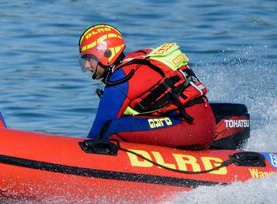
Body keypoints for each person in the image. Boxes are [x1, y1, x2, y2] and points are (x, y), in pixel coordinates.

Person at [78, 24, 215, 149]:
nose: (86, 66)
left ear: (106, 54)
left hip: (191, 128)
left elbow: (98, 130)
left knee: (110, 128)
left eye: (89, 59)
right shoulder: (135, 63)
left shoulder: (121, 78)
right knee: (124, 123)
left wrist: (78, 153)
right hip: (201, 124)